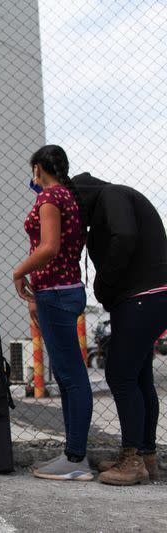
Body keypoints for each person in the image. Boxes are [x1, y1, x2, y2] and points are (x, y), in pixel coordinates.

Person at [72, 173, 167, 485]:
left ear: (82, 195)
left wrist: (103, 283)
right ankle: (146, 457)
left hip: (143, 297)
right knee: (138, 378)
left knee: (120, 375)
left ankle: (133, 461)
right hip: (147, 297)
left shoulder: (112, 196)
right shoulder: (116, 200)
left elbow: (124, 237)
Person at [13, 145, 92, 481]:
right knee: (69, 375)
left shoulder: (50, 198)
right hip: (66, 290)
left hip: (56, 295)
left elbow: (48, 248)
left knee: (72, 377)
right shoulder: (69, 197)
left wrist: (19, 272)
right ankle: (73, 455)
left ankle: (75, 458)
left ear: (38, 169)